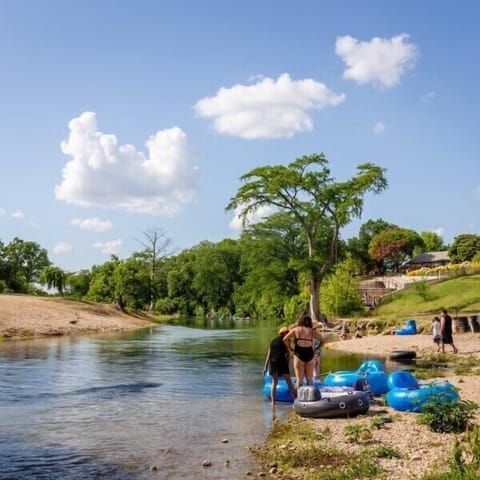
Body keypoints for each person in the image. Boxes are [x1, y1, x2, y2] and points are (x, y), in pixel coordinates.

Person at [283, 312, 325, 395]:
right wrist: (317, 349)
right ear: (309, 322)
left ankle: (298, 399)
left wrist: (290, 348)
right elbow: (323, 341)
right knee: (310, 380)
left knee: (299, 380)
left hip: (299, 354)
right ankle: (310, 398)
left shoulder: (296, 330)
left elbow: (284, 339)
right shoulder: (312, 331)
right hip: (310, 354)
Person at [262, 326, 296, 405]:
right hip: (281, 361)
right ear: (285, 333)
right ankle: (295, 400)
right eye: (288, 332)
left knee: (274, 382)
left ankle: (273, 402)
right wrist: (287, 364)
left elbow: (268, 355)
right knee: (289, 382)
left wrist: (265, 367)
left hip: (273, 362)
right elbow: (288, 354)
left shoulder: (273, 341)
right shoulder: (286, 340)